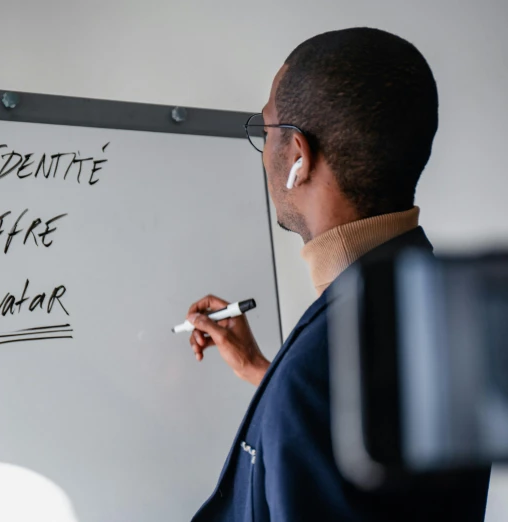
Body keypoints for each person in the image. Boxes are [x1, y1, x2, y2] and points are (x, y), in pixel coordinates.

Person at [186, 27, 491, 522]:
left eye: (266, 131)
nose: (264, 150)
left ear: (298, 158)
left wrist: (289, 385)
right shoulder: (446, 307)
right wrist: (266, 374)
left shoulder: (320, 369)